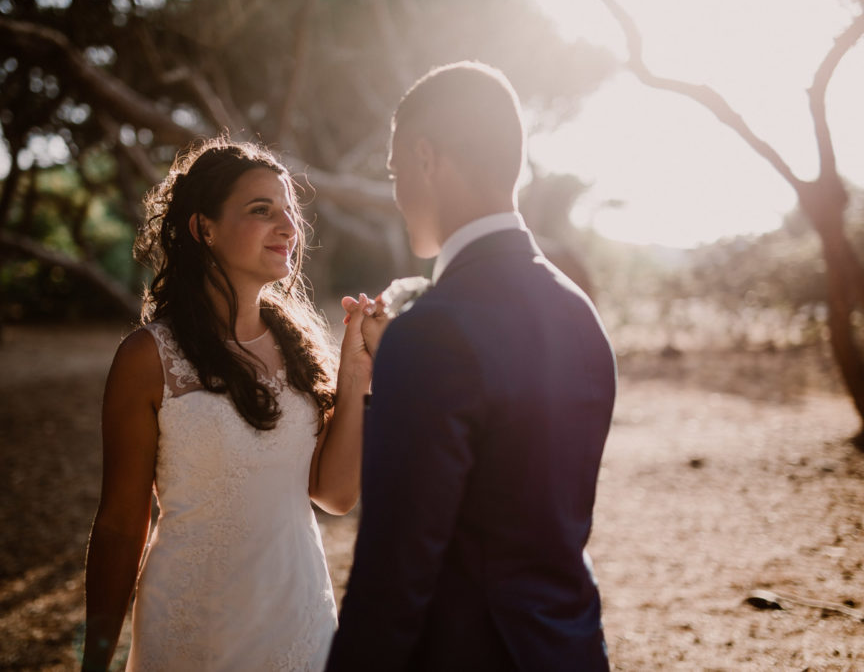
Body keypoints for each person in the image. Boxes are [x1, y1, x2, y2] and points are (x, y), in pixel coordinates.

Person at [327, 62, 617, 670]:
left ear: (426, 158)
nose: (397, 191)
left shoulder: (431, 334)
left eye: (395, 169)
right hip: (570, 649)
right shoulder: (579, 313)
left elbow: (392, 576)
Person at [82, 137, 372, 671]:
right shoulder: (148, 358)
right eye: (262, 211)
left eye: (289, 213)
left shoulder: (302, 350)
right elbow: (122, 524)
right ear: (203, 228)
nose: (288, 228)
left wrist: (353, 374)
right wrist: (94, 663)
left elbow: (333, 494)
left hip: (299, 623)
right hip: (193, 631)